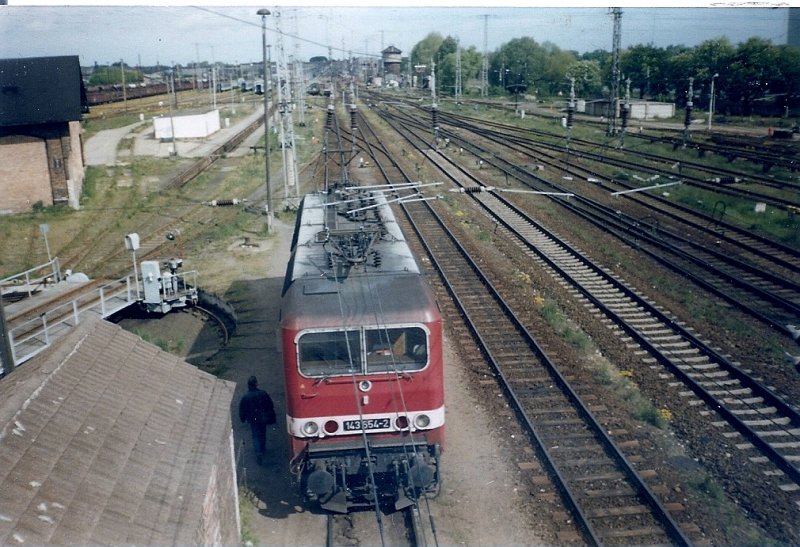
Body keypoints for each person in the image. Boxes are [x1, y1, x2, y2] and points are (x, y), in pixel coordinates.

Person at [239, 376, 276, 465]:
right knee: (262, 433)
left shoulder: (246, 397)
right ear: (256, 384)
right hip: (263, 418)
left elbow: (242, 409)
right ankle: (263, 448)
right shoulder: (262, 393)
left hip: (252, 419)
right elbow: (270, 404)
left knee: (255, 435)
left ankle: (258, 451)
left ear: (248, 385)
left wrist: (243, 418)